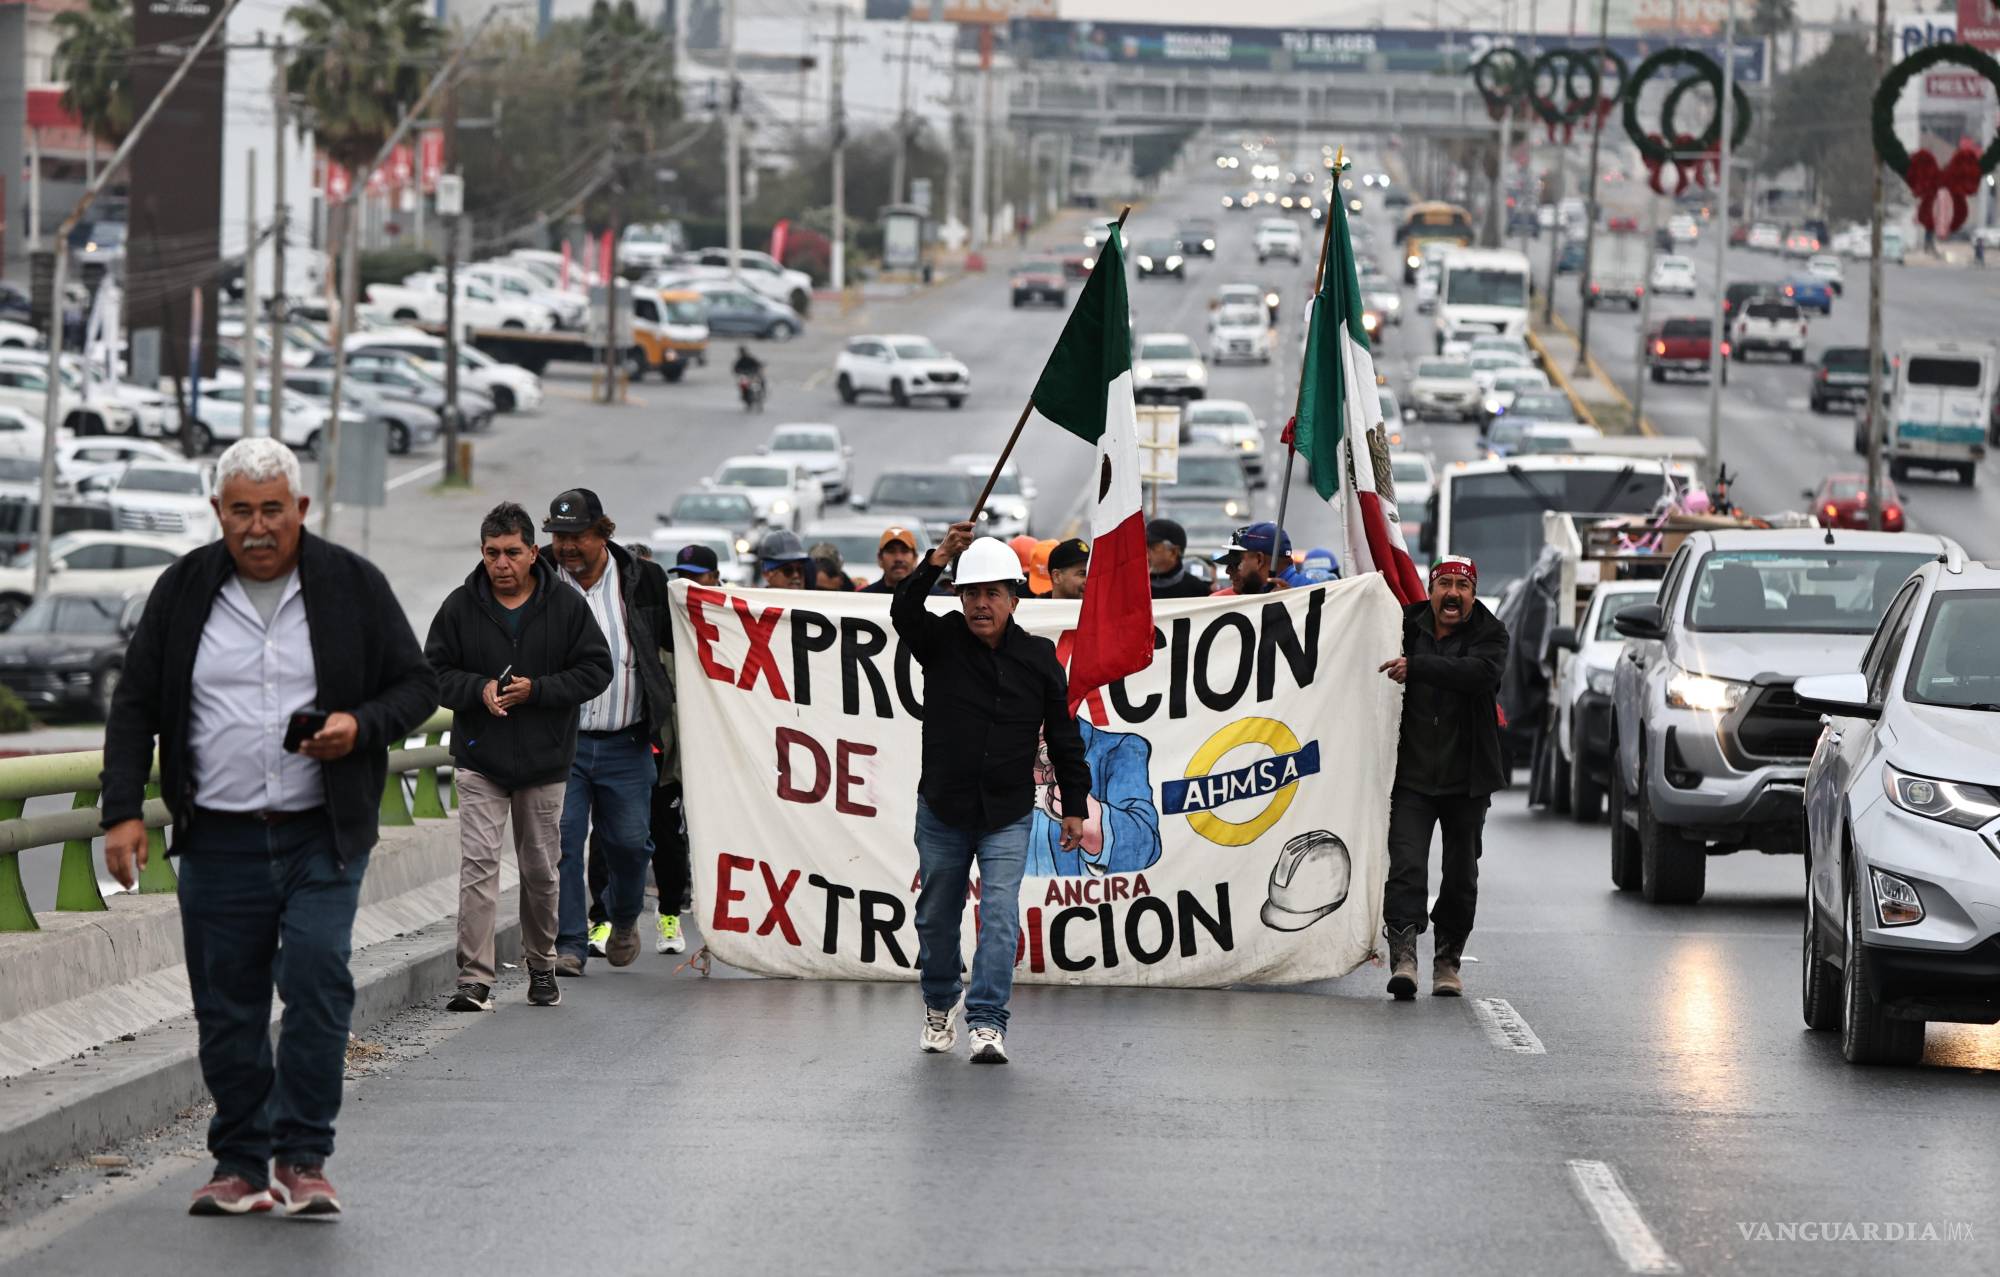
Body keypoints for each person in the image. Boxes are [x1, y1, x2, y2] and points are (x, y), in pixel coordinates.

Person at [98, 438, 437, 1217]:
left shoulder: (351, 584)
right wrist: (122, 812)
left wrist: (359, 725)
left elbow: (417, 685)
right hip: (217, 837)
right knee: (228, 1005)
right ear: (218, 512)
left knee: (318, 979)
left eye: (273, 509)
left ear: (301, 509)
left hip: (322, 832)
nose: (258, 527)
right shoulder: (183, 590)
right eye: (242, 511)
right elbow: (135, 704)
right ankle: (241, 1163)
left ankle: (303, 1156)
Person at [892, 521, 1089, 1064]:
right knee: (936, 916)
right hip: (943, 809)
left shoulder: (1040, 659)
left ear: (1014, 600)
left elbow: (1064, 736)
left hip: (1007, 813)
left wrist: (1075, 805)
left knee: (1000, 916)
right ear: (959, 599)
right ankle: (939, 1003)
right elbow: (903, 610)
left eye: (993, 594)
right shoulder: (940, 641)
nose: (981, 604)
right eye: (972, 593)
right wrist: (938, 558)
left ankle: (987, 1021)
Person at [427, 502, 612, 1014]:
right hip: (479, 759)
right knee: (478, 867)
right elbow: (433, 672)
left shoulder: (566, 607)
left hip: (545, 762)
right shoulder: (459, 607)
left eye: (511, 552)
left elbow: (597, 669)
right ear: (482, 553)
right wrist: (477, 688)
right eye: (492, 553)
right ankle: (474, 979)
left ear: (534, 552)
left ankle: (542, 964)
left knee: (540, 871)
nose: (501, 564)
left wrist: (540, 690)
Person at [543, 489, 675, 976]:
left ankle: (622, 917)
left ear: (603, 533)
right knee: (563, 843)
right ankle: (570, 945)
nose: (566, 546)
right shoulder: (540, 577)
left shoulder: (643, 579)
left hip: (628, 741)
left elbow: (680, 641)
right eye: (558, 537)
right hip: (563, 745)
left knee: (631, 843)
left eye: (577, 536)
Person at [1376, 555, 1508, 1001]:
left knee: (1460, 875)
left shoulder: (1491, 632)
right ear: (1430, 590)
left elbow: (1480, 674)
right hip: (1410, 778)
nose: (1453, 593)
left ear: (1473, 593)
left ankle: (1448, 960)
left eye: (1462, 586)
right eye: (1444, 584)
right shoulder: (1401, 626)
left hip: (1467, 781)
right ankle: (1404, 959)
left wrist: (1418, 667)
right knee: (1406, 867)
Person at [1212, 522, 1296, 596]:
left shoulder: (1301, 592)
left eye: (1238, 563)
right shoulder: (1222, 599)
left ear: (1259, 560)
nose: (1227, 571)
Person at [1145, 518, 1211, 599]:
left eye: (1152, 547)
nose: (1145, 553)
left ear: (1173, 552)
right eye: (1143, 546)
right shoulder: (1134, 587)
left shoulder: (1198, 592)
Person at [860, 526, 920, 594]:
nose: (898, 558)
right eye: (891, 551)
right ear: (880, 559)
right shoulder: (864, 596)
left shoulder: (930, 596)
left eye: (904, 551)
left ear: (915, 558)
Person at [1046, 536, 1089, 601]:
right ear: (1057, 576)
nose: (1090, 581)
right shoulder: (1034, 607)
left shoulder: (1100, 606)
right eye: (1082, 574)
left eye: (1091, 574)